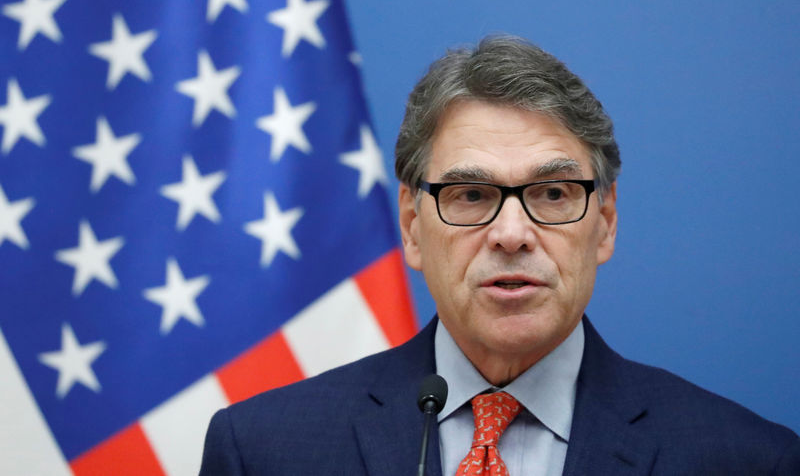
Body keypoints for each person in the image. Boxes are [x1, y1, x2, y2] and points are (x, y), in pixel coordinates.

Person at [199, 36, 800, 475]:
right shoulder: (263, 450)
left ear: (606, 222)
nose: (512, 233)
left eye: (554, 192)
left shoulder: (746, 460)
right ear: (412, 226)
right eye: (471, 195)